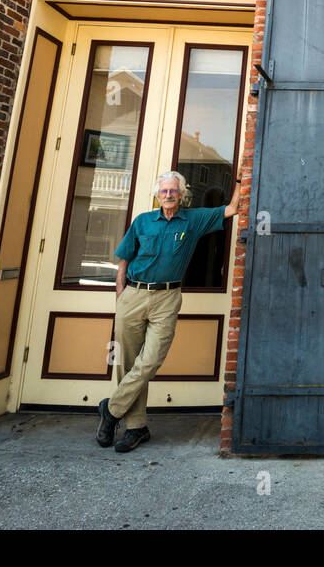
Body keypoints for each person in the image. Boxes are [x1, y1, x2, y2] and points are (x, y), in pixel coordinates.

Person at [96, 170, 240, 452]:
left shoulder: (194, 220)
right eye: (164, 191)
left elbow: (232, 209)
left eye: (174, 191)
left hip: (167, 297)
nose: (169, 195)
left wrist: (238, 181)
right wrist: (120, 296)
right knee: (127, 364)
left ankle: (110, 410)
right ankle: (136, 428)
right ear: (157, 194)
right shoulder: (142, 221)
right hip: (133, 295)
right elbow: (123, 261)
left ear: (182, 193)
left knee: (148, 362)